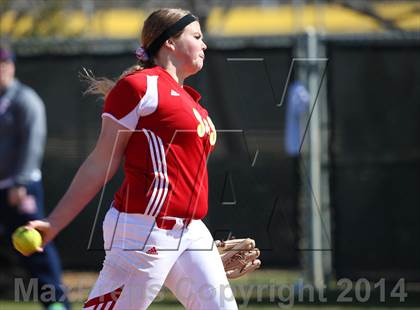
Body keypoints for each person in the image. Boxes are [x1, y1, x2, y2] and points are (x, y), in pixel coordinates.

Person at [27, 8, 238, 309]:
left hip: (190, 231)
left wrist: (196, 256)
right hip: (143, 230)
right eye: (196, 36)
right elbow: (101, 161)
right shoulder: (140, 88)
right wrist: (53, 223)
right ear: (170, 43)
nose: (204, 45)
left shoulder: (191, 101)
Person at [0, 44, 69, 309]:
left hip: (19, 188)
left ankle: (55, 303)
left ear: (11, 66)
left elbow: (33, 143)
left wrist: (19, 182)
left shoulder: (24, 99)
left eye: (4, 64)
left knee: (34, 247)